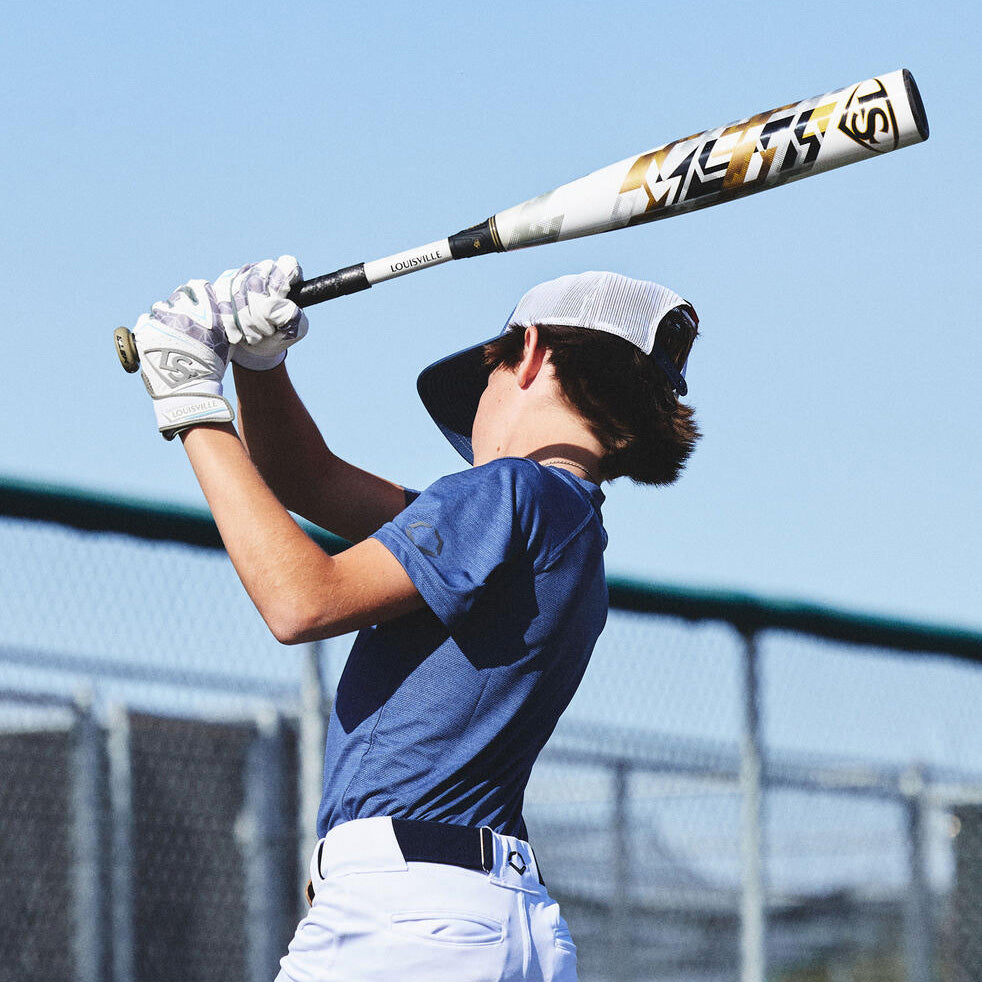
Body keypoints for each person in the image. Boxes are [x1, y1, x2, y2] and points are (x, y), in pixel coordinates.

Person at [130, 259, 701, 981]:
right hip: (477, 916)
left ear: (528, 353)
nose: (473, 417)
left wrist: (189, 400)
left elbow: (301, 599)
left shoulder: (511, 490)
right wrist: (260, 363)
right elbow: (304, 479)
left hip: (410, 922)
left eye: (485, 378)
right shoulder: (563, 523)